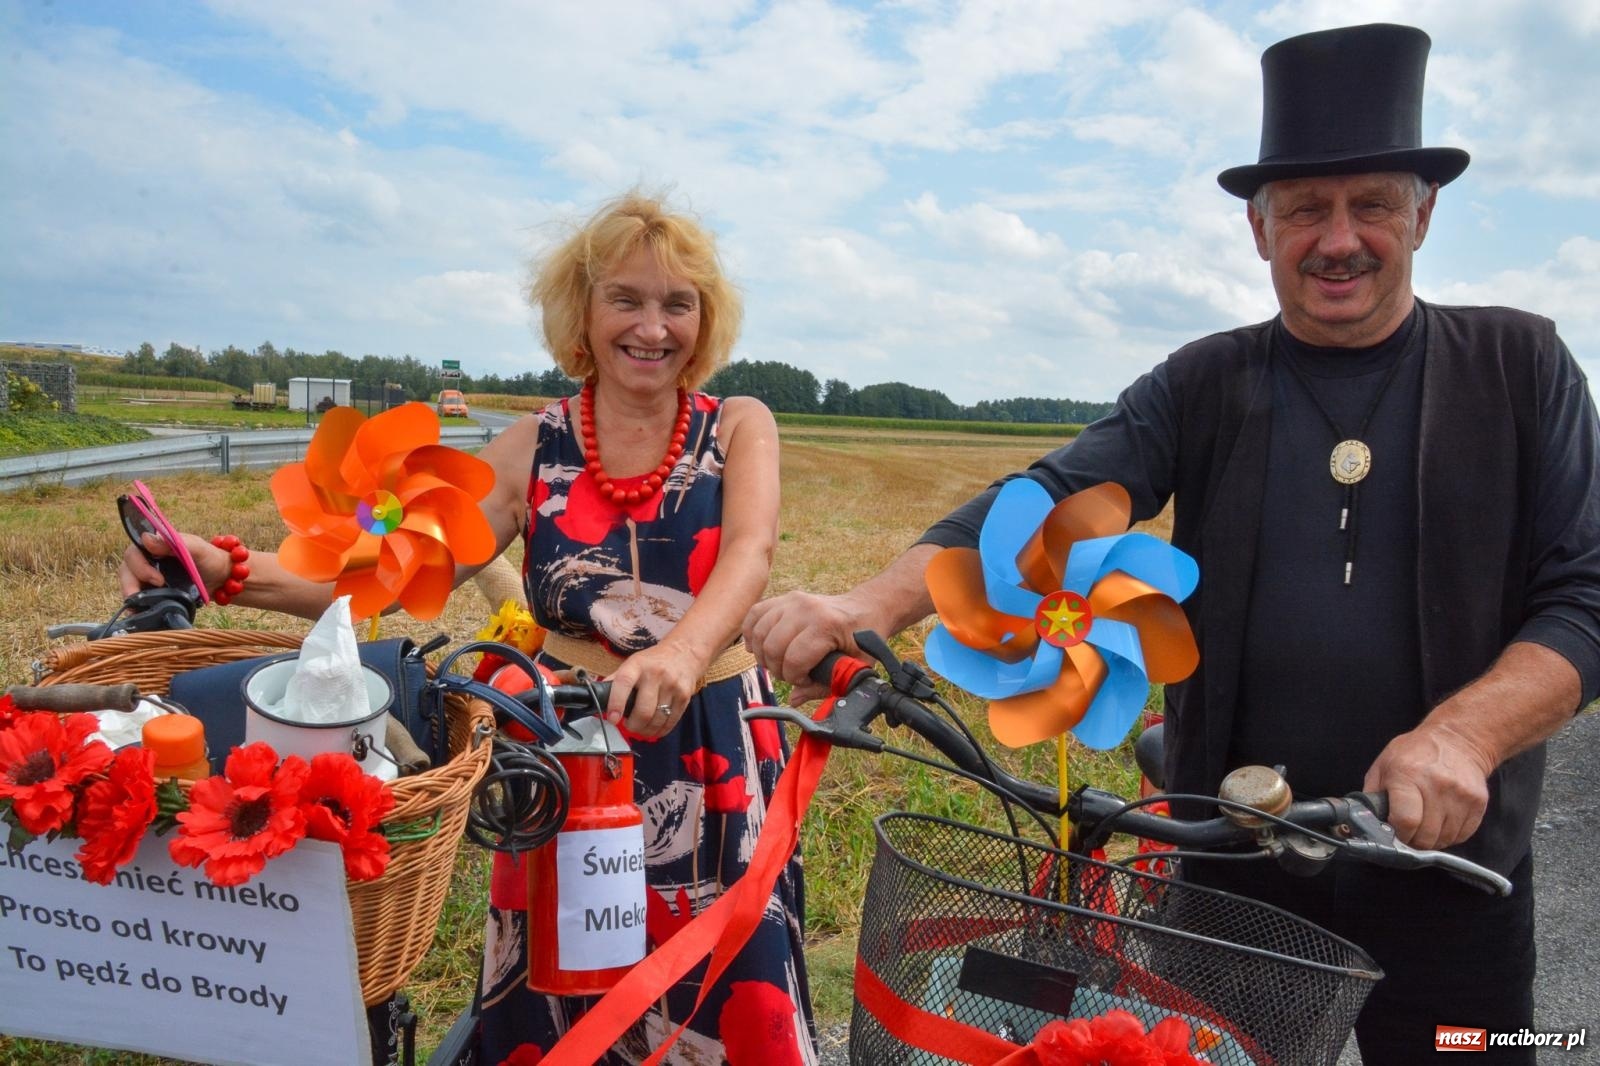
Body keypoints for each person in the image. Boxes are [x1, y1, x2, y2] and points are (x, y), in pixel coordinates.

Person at [744, 24, 1600, 1065]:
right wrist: (869, 604)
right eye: (1303, 210)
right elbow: (1052, 494)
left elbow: (1584, 595)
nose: (1338, 238)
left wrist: (1463, 737)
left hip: (1454, 884)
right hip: (1232, 888)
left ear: (1422, 212)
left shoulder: (1521, 365)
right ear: (1257, 227)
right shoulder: (1207, 380)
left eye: (1371, 203)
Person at [120, 192, 815, 1064]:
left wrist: (681, 652)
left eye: (678, 303)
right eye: (626, 299)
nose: (653, 326)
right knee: (566, 989)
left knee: (722, 983)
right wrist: (223, 571)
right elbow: (403, 570)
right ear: (584, 314)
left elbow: (749, 555)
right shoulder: (535, 445)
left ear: (705, 320)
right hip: (563, 752)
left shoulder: (739, 424)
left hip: (710, 743)